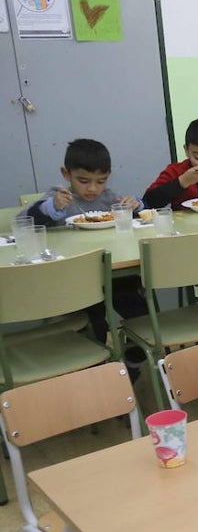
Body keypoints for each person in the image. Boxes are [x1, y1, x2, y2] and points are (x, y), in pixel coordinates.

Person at [20, 138, 148, 370]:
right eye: (83, 181)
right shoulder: (59, 197)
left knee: (142, 311)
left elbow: (142, 218)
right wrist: (51, 208)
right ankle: (97, 370)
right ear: (66, 174)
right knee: (94, 324)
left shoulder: (109, 198)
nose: (92, 189)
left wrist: (136, 206)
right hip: (76, 280)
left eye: (101, 181)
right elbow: (23, 223)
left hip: (113, 273)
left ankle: (132, 359)